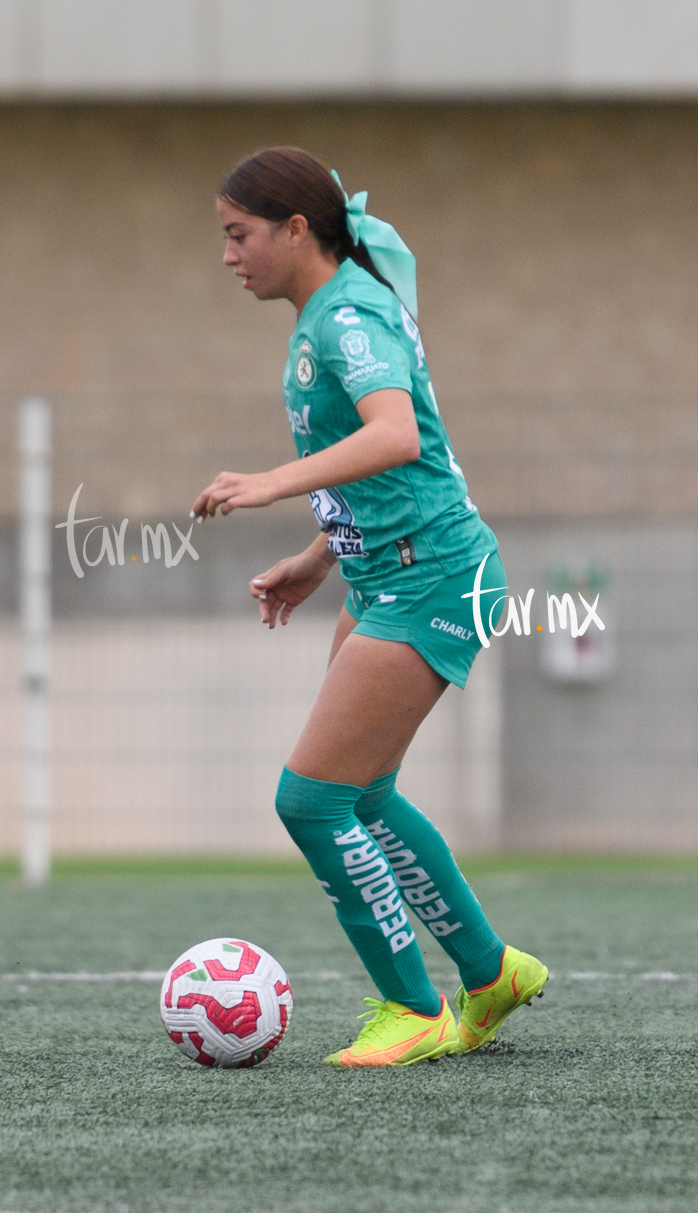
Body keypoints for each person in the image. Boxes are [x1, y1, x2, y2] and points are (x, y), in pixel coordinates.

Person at [191, 147, 548, 1068]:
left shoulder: (347, 314)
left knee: (311, 800)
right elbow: (405, 449)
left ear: (296, 229)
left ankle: (412, 1007)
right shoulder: (335, 306)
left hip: (429, 576)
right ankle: (487, 971)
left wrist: (273, 483)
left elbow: (394, 432)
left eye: (239, 235)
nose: (229, 256)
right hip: (388, 572)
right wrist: (320, 555)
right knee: (364, 795)